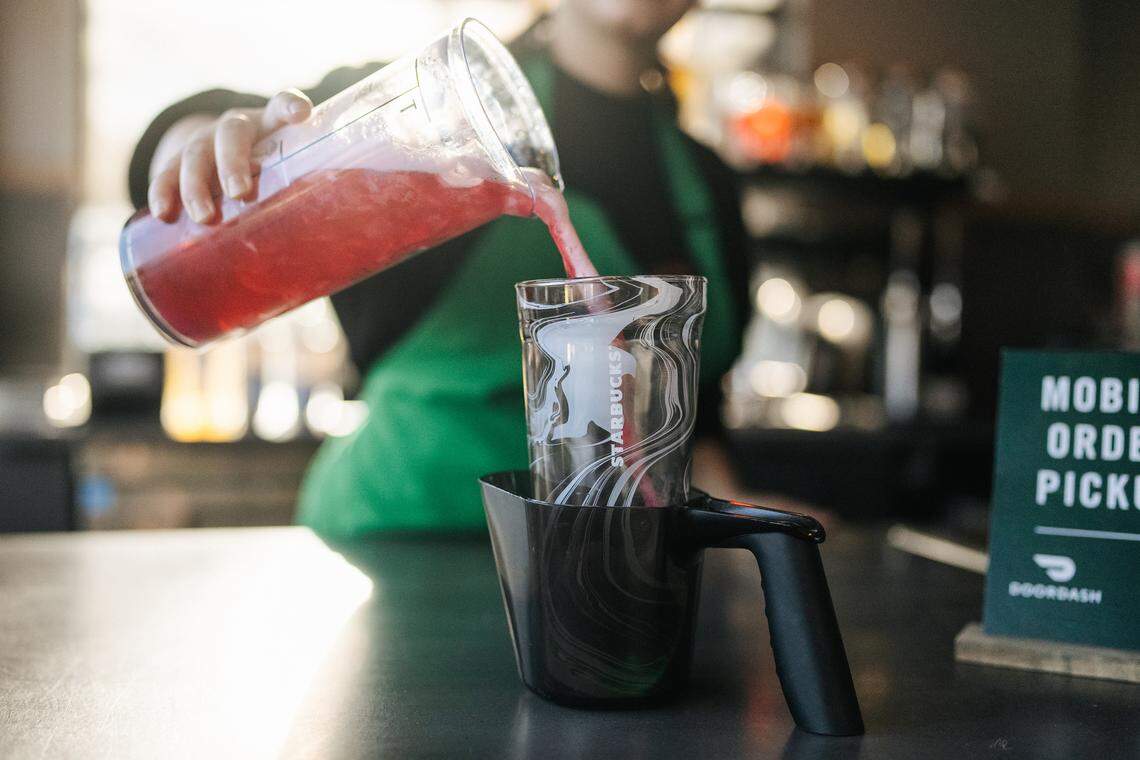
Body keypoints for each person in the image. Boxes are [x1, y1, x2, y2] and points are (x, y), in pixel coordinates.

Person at [130, 0, 750, 537]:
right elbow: (237, 131)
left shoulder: (707, 181)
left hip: (600, 562)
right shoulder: (426, 119)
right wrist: (198, 143)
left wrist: (733, 511)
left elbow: (692, 407)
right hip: (394, 546)